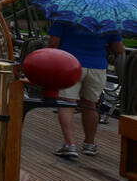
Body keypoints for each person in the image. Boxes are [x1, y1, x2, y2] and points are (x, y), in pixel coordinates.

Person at [48, 18, 124, 159]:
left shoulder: (66, 17)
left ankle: (70, 145)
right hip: (97, 66)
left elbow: (53, 43)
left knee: (67, 103)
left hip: (69, 64)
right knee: (90, 105)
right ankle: (89, 144)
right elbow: (119, 49)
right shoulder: (109, 21)